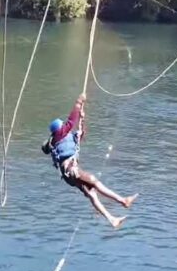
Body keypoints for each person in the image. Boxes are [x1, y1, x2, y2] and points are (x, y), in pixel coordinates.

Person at [42, 93, 138, 228]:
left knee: (92, 193)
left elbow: (80, 135)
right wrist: (79, 102)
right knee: (94, 181)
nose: (65, 127)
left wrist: (82, 120)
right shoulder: (59, 136)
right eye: (62, 126)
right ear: (58, 130)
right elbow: (70, 122)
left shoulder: (63, 139)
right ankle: (123, 201)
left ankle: (112, 219)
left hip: (69, 174)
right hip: (71, 170)